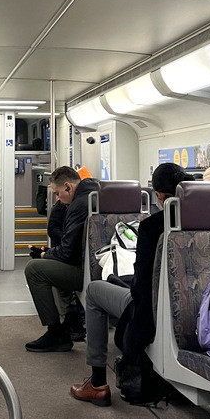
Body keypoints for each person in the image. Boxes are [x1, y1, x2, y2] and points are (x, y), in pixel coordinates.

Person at [70, 163, 193, 405]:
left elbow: (140, 290)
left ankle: (97, 384)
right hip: (204, 314)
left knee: (95, 291)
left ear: (158, 195)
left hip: (151, 313)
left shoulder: (152, 226)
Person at [23, 166, 99, 352]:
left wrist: (44, 254)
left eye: (57, 194)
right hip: (109, 268)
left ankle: (56, 332)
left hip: (88, 271)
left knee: (34, 269)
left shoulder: (78, 205)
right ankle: (71, 320)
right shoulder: (99, 194)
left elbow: (66, 253)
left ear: (68, 187)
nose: (57, 199)